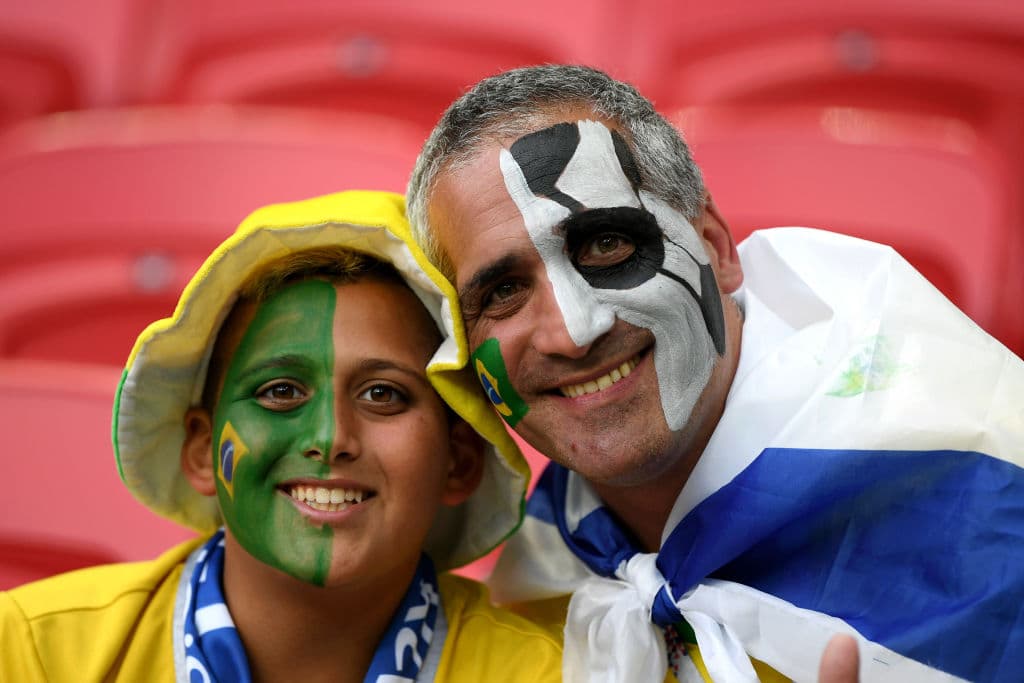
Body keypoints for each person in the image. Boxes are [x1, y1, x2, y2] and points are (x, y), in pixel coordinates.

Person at [405, 65, 1024, 682]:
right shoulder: (544, 578)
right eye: (505, 289)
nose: (572, 331)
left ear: (716, 246)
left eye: (606, 244)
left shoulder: (991, 482)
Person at [0, 191, 562, 682]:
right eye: (280, 392)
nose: (331, 437)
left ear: (458, 462)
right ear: (199, 449)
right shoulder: (33, 653)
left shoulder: (551, 674)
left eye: (383, 394)